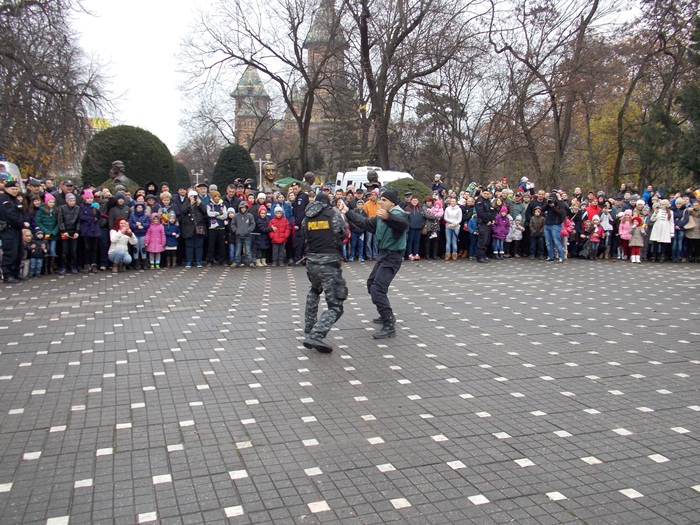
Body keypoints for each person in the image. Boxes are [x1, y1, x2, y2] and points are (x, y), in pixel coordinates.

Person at [344, 189, 408, 339]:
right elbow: (365, 223)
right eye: (381, 200)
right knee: (371, 284)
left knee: (377, 288)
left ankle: (389, 324)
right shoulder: (381, 216)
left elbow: (403, 224)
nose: (381, 202)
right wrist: (347, 212)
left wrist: (388, 217)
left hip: (393, 256)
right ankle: (385, 312)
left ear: (393, 202)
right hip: (383, 255)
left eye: (384, 200)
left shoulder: (398, 214)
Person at [301, 192, 348, 353]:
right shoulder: (333, 216)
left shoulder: (306, 218)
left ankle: (309, 324)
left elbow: (304, 235)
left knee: (315, 290)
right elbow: (344, 233)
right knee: (336, 306)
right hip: (329, 263)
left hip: (311, 262)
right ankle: (316, 334)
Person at [0, 181, 29, 283]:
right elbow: (9, 215)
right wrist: (22, 224)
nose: (15, 191)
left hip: (17, 229)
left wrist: (24, 221)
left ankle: (16, 273)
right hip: (8, 229)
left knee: (19, 252)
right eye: (12, 189)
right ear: (6, 189)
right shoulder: (3, 200)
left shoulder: (15, 199)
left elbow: (21, 212)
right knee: (10, 252)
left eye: (16, 189)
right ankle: (8, 274)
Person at [57, 192, 80, 275]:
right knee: (64, 251)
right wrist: (63, 230)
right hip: (65, 231)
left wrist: (77, 231)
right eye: (70, 200)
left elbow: (78, 221)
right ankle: (63, 267)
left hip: (74, 231)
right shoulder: (62, 208)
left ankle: (73, 266)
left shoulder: (77, 208)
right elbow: (60, 220)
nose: (72, 202)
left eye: (73, 200)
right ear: (67, 201)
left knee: (73, 251)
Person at [78, 190, 101, 273]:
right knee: (87, 248)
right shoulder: (82, 207)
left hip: (95, 229)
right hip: (86, 229)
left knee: (94, 248)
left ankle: (93, 264)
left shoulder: (95, 205)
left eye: (91, 198)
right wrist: (91, 219)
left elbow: (99, 217)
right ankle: (86, 264)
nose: (89, 200)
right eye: (87, 198)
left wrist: (98, 210)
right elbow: (81, 216)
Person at [474, 189, 496, 263]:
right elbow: (480, 213)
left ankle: (484, 255)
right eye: (485, 193)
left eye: (487, 194)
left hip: (489, 223)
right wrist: (487, 221)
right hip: (483, 223)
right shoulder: (479, 201)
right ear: (482, 193)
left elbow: (492, 211)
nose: (486, 195)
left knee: (487, 241)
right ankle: (479, 256)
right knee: (482, 240)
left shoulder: (488, 201)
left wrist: (492, 219)